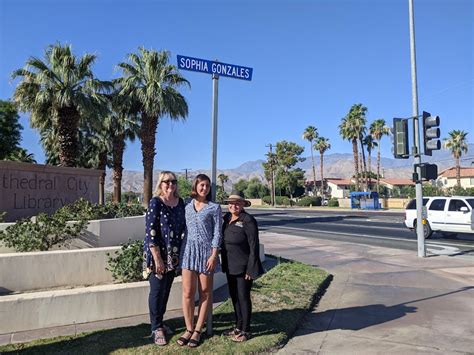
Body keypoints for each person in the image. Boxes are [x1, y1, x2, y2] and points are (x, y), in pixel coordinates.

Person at [177, 174, 222, 348]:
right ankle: (188, 329)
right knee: (188, 293)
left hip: (206, 254)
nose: (204, 188)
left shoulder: (214, 208)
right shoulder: (187, 206)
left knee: (205, 293)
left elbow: (217, 233)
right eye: (201, 185)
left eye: (207, 186)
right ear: (195, 186)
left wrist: (213, 255)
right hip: (188, 252)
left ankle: (198, 330)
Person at [143, 171, 186, 346]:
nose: (170, 184)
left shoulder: (180, 203)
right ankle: (156, 327)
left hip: (173, 256)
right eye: (166, 181)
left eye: (173, 181)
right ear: (160, 184)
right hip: (158, 255)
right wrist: (158, 259)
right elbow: (151, 233)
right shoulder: (156, 203)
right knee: (157, 290)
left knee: (166, 290)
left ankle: (160, 321)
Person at [221, 193, 264, 342]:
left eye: (238, 203)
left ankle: (246, 330)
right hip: (230, 265)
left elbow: (254, 246)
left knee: (243, 297)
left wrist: (251, 269)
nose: (234, 205)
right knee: (234, 297)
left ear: (243, 204)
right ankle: (238, 326)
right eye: (231, 203)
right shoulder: (226, 219)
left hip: (244, 267)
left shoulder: (248, 221)